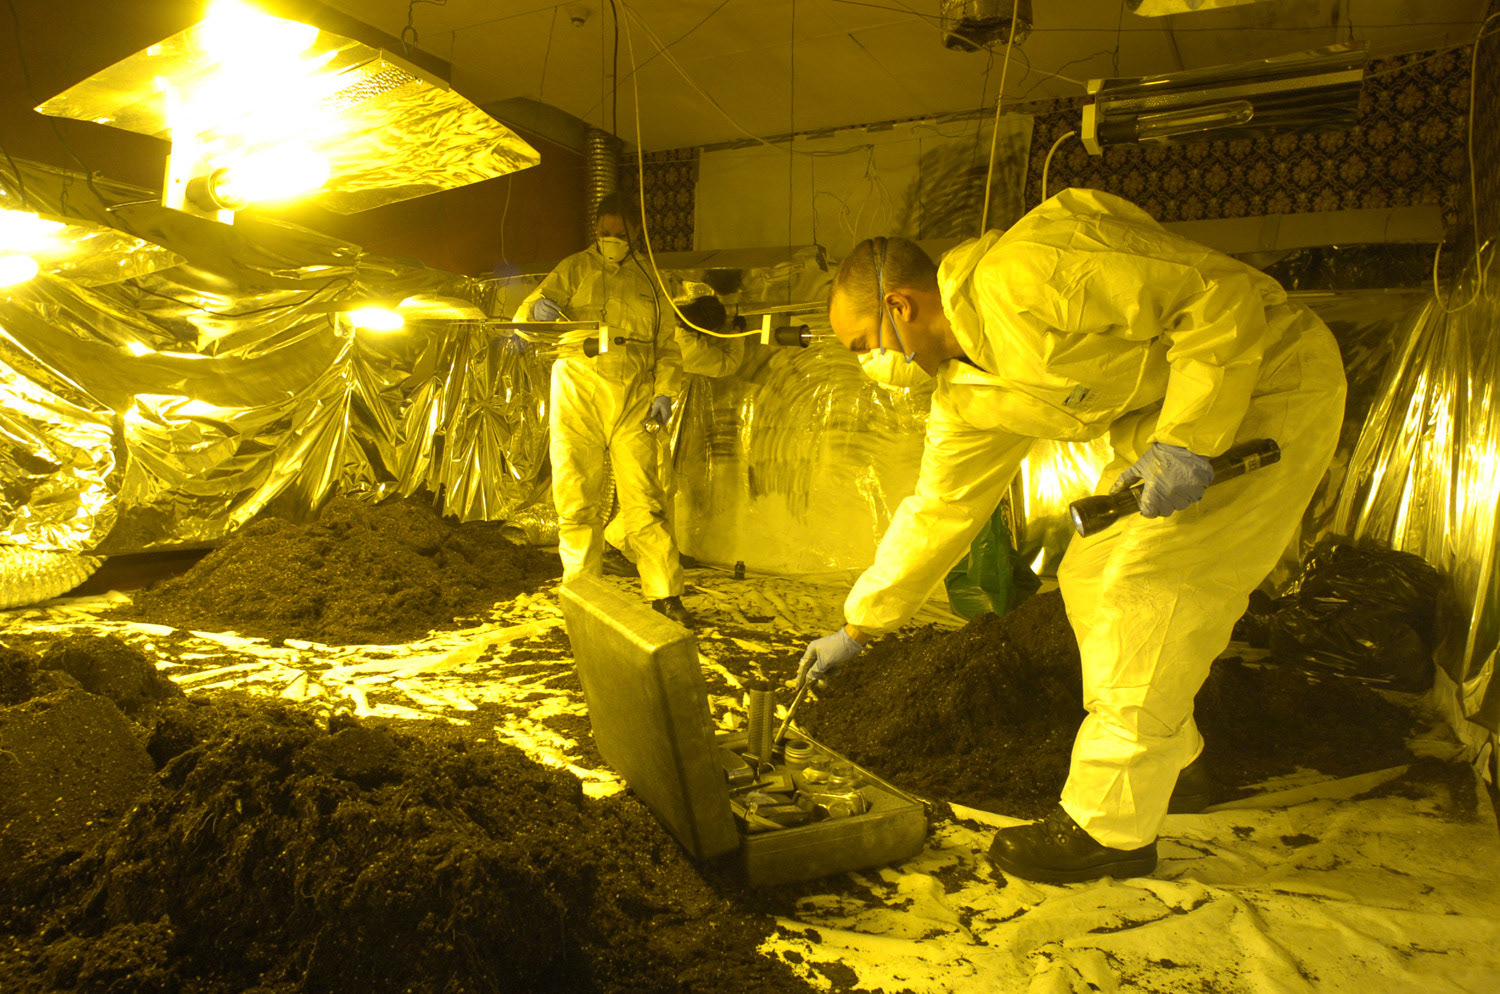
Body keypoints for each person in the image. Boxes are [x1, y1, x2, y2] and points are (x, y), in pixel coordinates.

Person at [800, 188, 1346, 884]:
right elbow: (939, 508)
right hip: (1172, 421)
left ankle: (1108, 831)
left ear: (899, 307)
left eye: (862, 346)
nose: (867, 363)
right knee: (1090, 576)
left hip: (1270, 381)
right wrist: (859, 626)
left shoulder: (1026, 274)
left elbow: (1217, 297)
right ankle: (1177, 762)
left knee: (1148, 588)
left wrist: (1189, 439)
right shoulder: (965, 394)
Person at [514, 191, 694, 628]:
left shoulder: (652, 280)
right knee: (576, 494)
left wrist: (664, 393)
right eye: (604, 232)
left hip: (634, 394)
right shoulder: (573, 268)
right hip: (579, 383)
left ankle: (664, 595)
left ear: (635, 231)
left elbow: (668, 348)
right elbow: (526, 319)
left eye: (619, 233)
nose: (611, 239)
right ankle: (582, 592)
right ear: (595, 230)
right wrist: (537, 310)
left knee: (645, 499)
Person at [602, 294, 746, 572]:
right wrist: (737, 333)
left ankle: (667, 549)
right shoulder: (687, 345)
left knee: (664, 486)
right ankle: (611, 544)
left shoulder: (668, 324)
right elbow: (726, 365)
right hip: (644, 416)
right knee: (656, 485)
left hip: (638, 410)